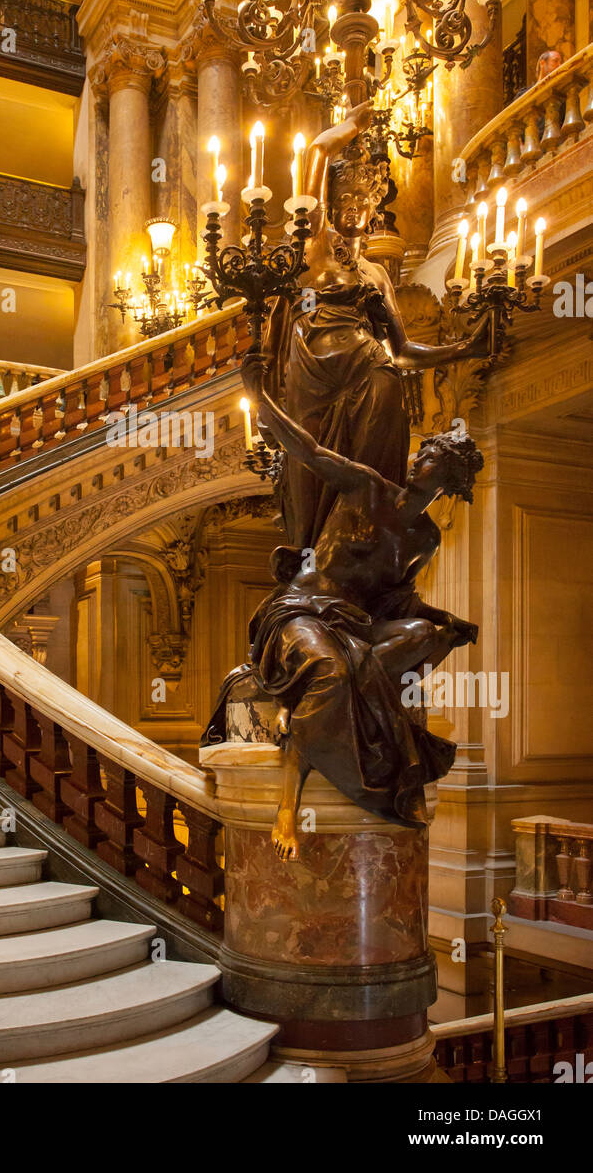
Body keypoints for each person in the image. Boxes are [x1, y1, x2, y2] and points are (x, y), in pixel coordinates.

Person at [232, 354, 483, 860]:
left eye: (432, 457)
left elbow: (399, 601)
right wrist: (259, 395)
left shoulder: (425, 538)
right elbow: (307, 449)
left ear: (448, 480)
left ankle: (324, 715)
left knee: (423, 637)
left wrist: (446, 623)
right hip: (302, 610)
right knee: (331, 670)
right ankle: (289, 803)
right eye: (423, 451)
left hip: (355, 623)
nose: (419, 459)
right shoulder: (367, 485)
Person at [263, 101, 489, 548]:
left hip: (374, 373)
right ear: (330, 201)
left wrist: (464, 349)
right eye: (345, 197)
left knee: (369, 476)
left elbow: (402, 350)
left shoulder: (377, 274)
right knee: (311, 473)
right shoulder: (314, 245)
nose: (354, 207)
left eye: (363, 200)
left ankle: (364, 545)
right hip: (314, 378)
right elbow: (315, 153)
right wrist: (347, 127)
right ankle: (311, 560)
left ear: (374, 209)